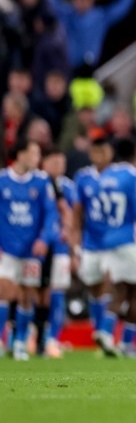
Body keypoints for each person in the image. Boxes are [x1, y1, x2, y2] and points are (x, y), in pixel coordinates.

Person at [0, 139, 57, 360]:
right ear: (20, 154)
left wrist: (44, 239)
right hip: (7, 248)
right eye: (34, 153)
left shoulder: (41, 182)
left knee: (27, 295)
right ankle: (2, 340)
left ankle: (20, 342)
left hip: (32, 250)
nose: (37, 158)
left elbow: (51, 213)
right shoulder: (2, 180)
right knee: (4, 292)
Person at [98, 137, 136, 359]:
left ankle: (105, 331)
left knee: (120, 290)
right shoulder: (133, 175)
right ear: (134, 153)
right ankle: (128, 343)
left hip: (110, 239)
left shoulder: (105, 176)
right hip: (132, 240)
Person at [72, 132, 120, 356]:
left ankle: (105, 333)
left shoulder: (120, 176)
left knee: (110, 285)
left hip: (114, 243)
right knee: (94, 288)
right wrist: (75, 244)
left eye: (104, 150)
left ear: (111, 153)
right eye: (96, 151)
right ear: (91, 153)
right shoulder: (83, 177)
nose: (100, 155)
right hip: (91, 243)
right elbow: (77, 213)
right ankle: (99, 331)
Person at [37, 147, 76, 358]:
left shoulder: (68, 187)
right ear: (44, 162)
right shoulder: (36, 182)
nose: (59, 166)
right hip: (35, 247)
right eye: (55, 162)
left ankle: (52, 338)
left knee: (57, 293)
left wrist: (73, 248)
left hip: (60, 249)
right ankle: (28, 336)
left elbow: (74, 215)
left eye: (62, 163)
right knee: (31, 293)